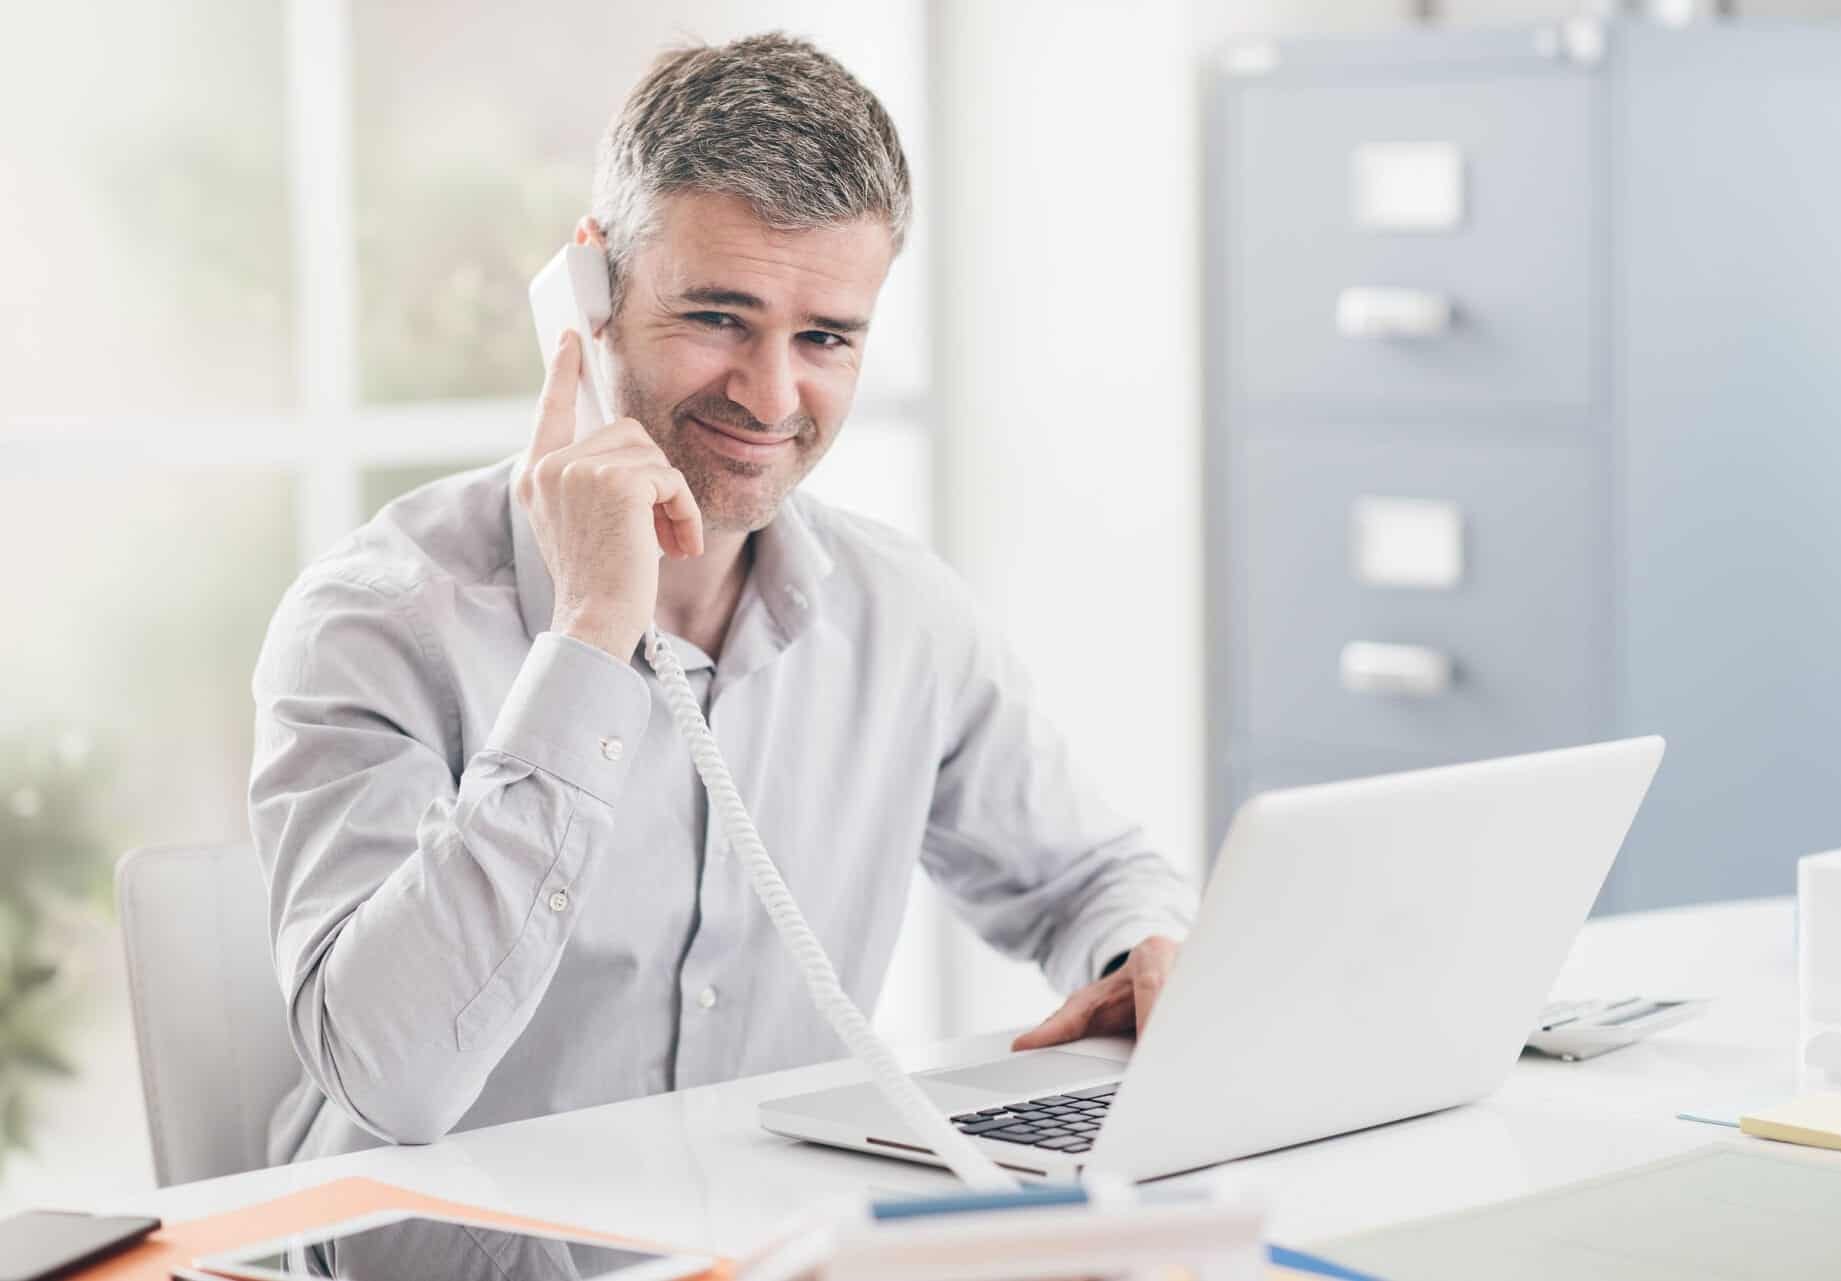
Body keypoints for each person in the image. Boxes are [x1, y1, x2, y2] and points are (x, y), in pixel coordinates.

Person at [249, 32, 1195, 1164]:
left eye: (826, 337)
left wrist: (1150, 946)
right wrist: (590, 640)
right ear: (590, 289)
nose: (772, 394)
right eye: (717, 317)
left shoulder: (902, 618)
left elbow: (1092, 878)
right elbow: (389, 1084)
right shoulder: (375, 623)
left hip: (777, 1244)